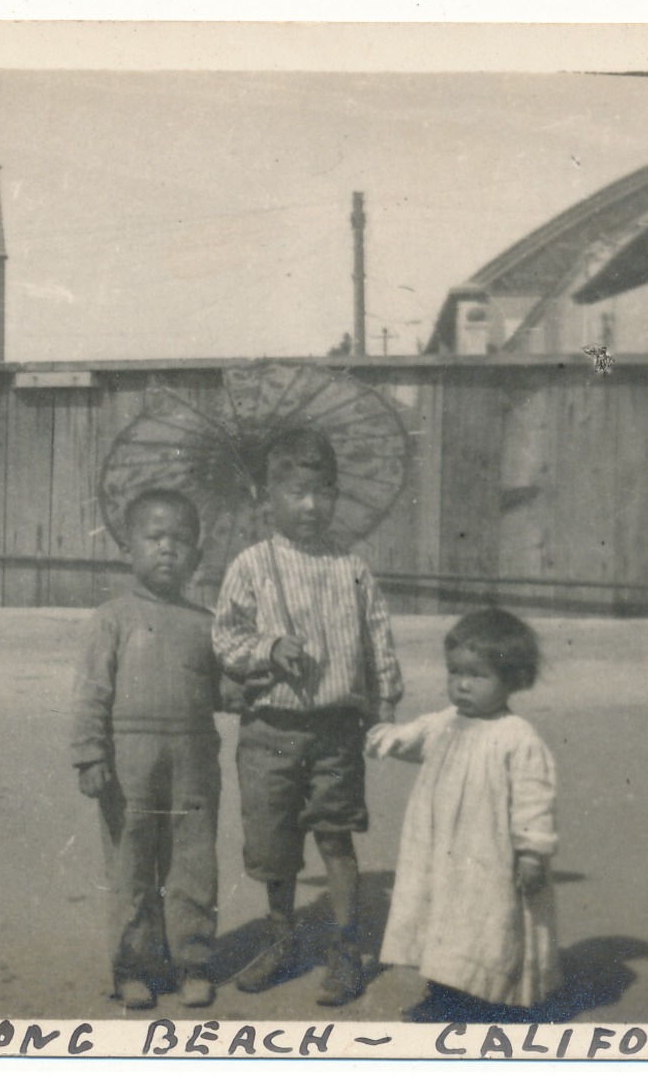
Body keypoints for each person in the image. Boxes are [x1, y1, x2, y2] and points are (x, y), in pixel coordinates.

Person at [212, 428, 405, 1006]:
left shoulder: (351, 568)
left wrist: (387, 699)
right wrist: (268, 648)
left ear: (336, 495)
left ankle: (345, 948)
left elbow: (377, 636)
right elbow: (226, 635)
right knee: (275, 844)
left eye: (322, 492)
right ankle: (280, 939)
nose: (310, 505)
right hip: (270, 728)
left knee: (336, 835)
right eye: (296, 492)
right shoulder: (251, 565)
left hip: (336, 730)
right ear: (267, 495)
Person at [365, 608, 562, 1019]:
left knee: (484, 922)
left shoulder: (517, 738)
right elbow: (411, 739)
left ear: (512, 679)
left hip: (488, 857)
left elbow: (534, 799)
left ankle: (484, 998)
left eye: (477, 675)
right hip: (442, 850)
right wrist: (383, 737)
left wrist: (531, 851)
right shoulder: (445, 722)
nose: (462, 685)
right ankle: (443, 993)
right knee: (443, 914)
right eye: (454, 673)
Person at [71, 488, 222, 1011]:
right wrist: (90, 754)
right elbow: (92, 690)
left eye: (180, 540)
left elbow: (224, 690)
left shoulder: (207, 623)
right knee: (132, 863)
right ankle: (132, 965)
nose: (167, 549)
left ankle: (192, 961)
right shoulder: (112, 618)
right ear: (126, 549)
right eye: (154, 538)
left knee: (192, 860)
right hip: (129, 763)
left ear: (197, 556)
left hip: (195, 760)